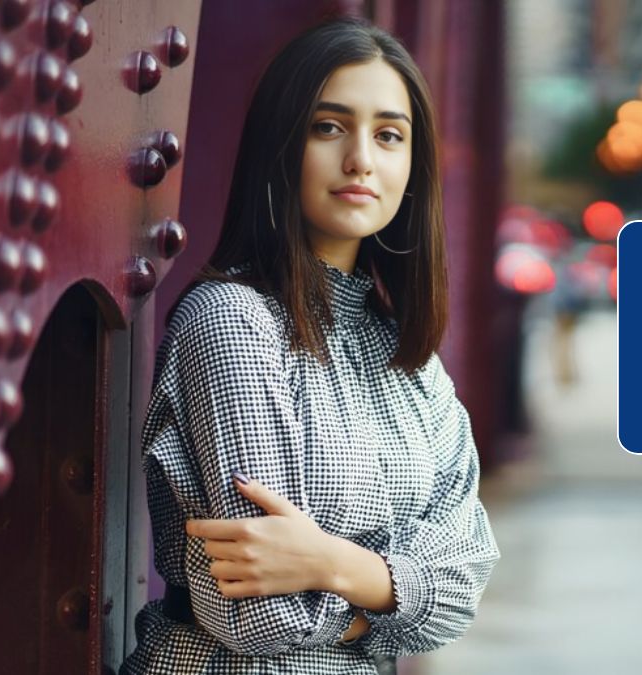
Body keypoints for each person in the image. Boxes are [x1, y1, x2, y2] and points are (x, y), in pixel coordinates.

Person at [121, 19, 499, 674]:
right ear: (281, 143)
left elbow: (465, 586)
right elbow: (264, 613)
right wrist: (392, 592)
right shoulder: (232, 323)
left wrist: (329, 561)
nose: (361, 158)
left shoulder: (411, 363)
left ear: (413, 166)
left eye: (388, 135)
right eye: (329, 126)